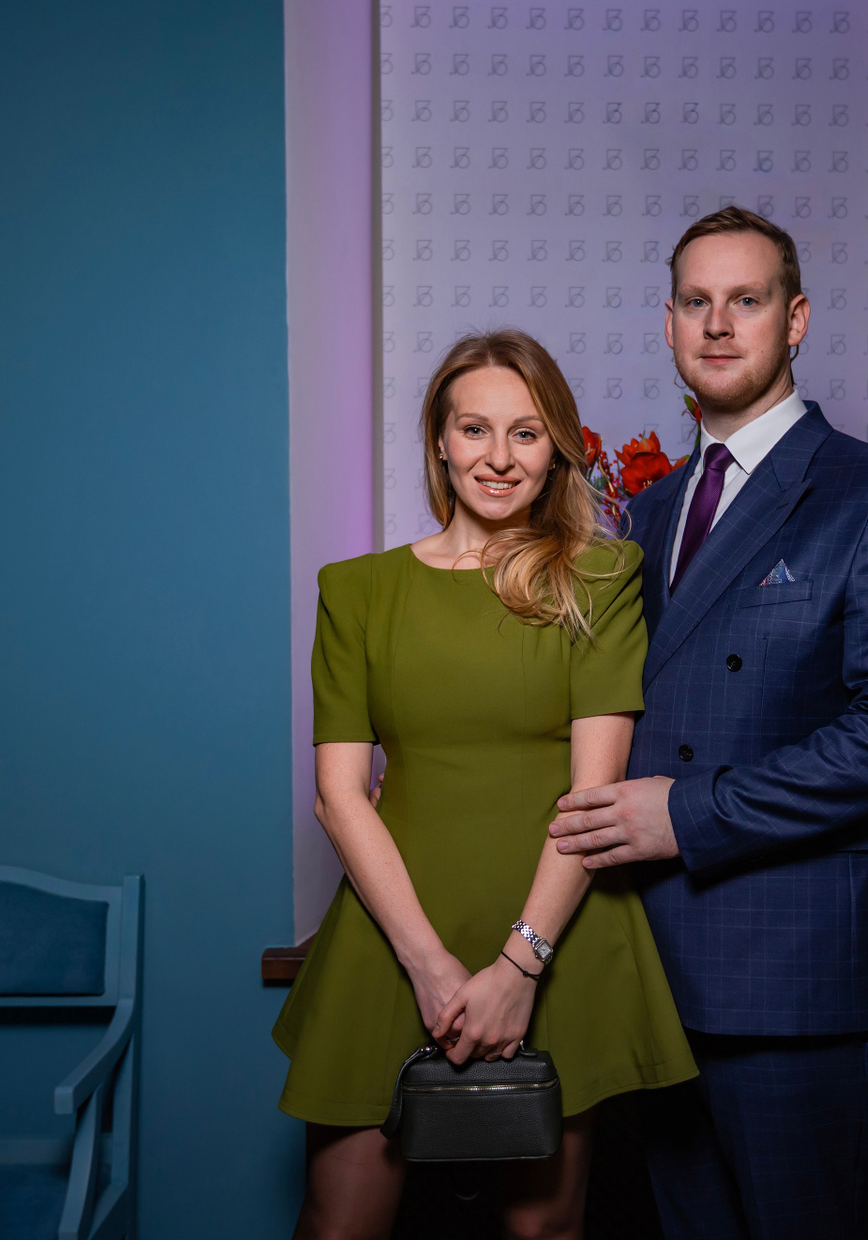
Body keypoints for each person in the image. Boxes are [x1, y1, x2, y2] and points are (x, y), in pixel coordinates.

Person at [546, 206, 868, 1240]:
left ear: (797, 319)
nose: (718, 323)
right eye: (696, 301)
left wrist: (688, 814)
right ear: (668, 324)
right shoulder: (646, 513)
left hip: (799, 979)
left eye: (747, 299)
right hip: (658, 972)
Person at [274, 330, 697, 1240]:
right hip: (394, 931)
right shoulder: (357, 591)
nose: (499, 458)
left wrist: (519, 965)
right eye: (475, 429)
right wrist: (427, 964)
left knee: (543, 1229)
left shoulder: (598, 578)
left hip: (555, 929)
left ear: (556, 450)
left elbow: (594, 799)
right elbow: (338, 797)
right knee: (340, 1223)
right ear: (440, 439)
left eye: (526, 433)